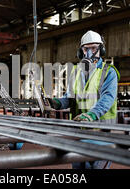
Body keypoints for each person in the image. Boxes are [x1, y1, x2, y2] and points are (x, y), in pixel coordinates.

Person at [48, 30, 120, 169]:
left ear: (101, 50)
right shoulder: (75, 72)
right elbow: (70, 98)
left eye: (94, 48)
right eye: (86, 48)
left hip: (103, 131)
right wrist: (56, 103)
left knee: (95, 167)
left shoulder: (109, 72)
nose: (89, 52)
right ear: (81, 51)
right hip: (80, 129)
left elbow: (108, 98)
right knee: (78, 166)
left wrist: (91, 115)